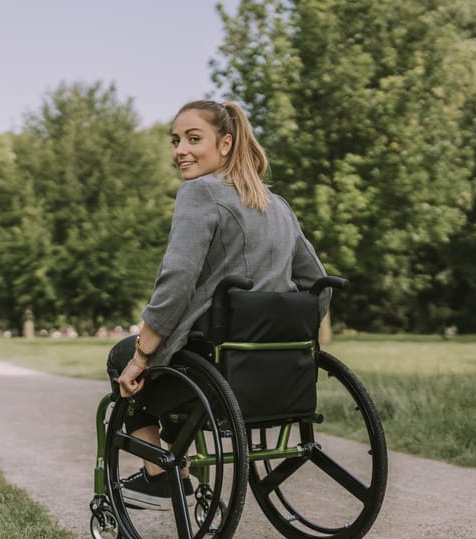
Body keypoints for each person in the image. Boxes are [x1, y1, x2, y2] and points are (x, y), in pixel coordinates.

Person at [107, 99, 330, 509]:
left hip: (214, 367)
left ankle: (160, 477)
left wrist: (140, 355)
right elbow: (317, 284)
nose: (180, 151)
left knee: (121, 357)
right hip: (275, 374)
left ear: (225, 144)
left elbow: (176, 281)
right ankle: (181, 463)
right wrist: (286, 338)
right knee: (166, 363)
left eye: (194, 139)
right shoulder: (276, 205)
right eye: (175, 141)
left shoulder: (200, 193)